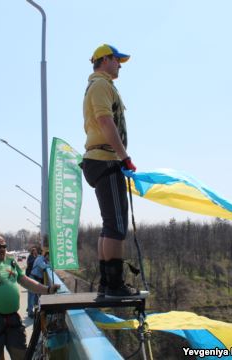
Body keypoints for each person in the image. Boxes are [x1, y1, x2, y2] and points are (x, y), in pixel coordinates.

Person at [81, 44, 147, 299]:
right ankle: (115, 285)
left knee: (110, 225)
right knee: (117, 227)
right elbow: (105, 121)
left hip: (100, 160)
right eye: (117, 60)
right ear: (104, 59)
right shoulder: (100, 85)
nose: (120, 65)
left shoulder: (101, 85)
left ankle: (108, 283)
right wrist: (124, 157)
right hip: (106, 160)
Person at [0, 235, 60, 360]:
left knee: (22, 355)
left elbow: (24, 280)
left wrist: (47, 290)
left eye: (4, 246)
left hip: (13, 319)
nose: (2, 249)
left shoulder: (10, 261)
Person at [25, 247, 39, 318]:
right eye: (34, 250)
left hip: (34, 276)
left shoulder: (36, 257)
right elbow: (29, 264)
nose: (35, 251)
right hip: (30, 276)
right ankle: (30, 312)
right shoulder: (30, 257)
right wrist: (36, 259)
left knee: (33, 295)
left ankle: (29, 308)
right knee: (31, 294)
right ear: (32, 251)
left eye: (35, 250)